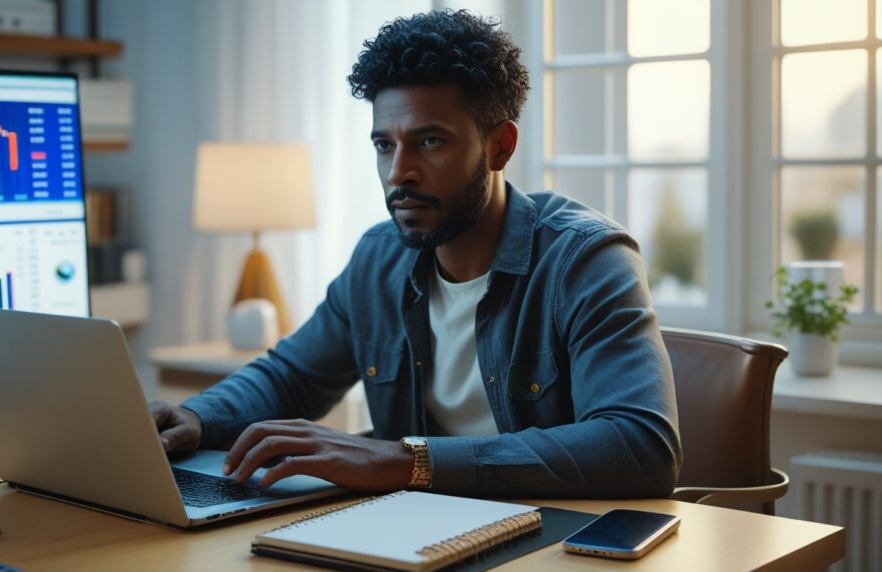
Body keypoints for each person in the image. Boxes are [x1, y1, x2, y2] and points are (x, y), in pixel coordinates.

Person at [148, 9, 682, 499]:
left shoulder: (585, 259)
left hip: (550, 538)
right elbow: (292, 376)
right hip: (409, 531)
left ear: (500, 146)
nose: (398, 171)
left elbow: (639, 446)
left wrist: (406, 462)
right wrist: (193, 416)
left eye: (429, 142)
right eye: (384, 144)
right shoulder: (378, 258)